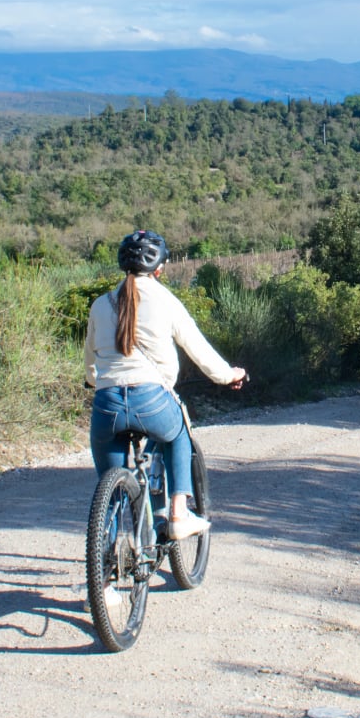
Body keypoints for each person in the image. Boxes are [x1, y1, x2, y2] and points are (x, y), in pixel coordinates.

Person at [84, 230, 245, 540]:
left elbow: (91, 364)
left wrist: (96, 381)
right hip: (152, 401)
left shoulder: (100, 305)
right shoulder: (165, 300)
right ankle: (178, 514)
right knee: (179, 433)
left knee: (110, 492)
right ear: (159, 268)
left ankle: (105, 572)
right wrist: (229, 376)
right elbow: (198, 350)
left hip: (106, 405)